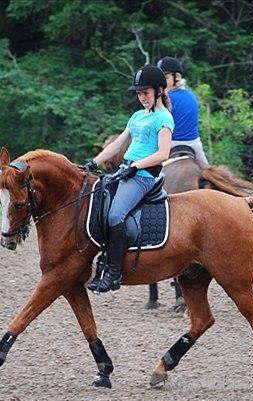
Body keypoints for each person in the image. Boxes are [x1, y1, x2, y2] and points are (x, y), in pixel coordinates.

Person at [84, 65, 174, 294]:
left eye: (145, 93)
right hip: (126, 170)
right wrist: (93, 163)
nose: (141, 97)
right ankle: (101, 261)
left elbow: (163, 154)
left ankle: (114, 274)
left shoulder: (164, 118)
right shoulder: (136, 116)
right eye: (139, 93)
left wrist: (134, 167)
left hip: (143, 177)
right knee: (97, 205)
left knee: (116, 215)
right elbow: (117, 144)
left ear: (159, 91)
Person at [156, 56, 209, 168]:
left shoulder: (163, 99)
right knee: (209, 172)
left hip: (170, 145)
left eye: (165, 78)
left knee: (145, 177)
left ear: (177, 77)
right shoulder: (192, 96)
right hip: (194, 144)